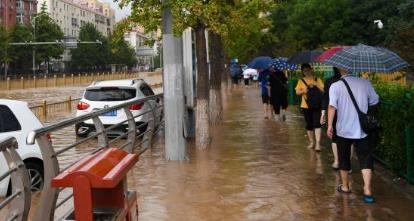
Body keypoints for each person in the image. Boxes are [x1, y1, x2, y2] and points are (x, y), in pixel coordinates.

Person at [327, 68, 379, 204]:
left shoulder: (335, 86)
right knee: (366, 159)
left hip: (343, 129)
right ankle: (367, 189)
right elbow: (375, 100)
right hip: (363, 129)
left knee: (343, 158)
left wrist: (329, 125)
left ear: (339, 69)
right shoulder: (365, 83)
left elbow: (332, 106)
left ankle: (345, 187)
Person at [295, 63, 324, 151]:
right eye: (305, 71)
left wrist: (316, 84)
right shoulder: (301, 81)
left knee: (317, 124)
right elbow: (297, 92)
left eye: (308, 70)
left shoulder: (317, 79)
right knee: (309, 125)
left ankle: (318, 144)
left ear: (311, 69)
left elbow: (323, 91)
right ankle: (312, 142)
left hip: (317, 105)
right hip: (306, 105)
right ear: (303, 72)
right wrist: (303, 90)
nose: (307, 72)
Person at [321, 67, 342, 168]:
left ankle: (337, 161)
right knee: (349, 139)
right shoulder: (352, 81)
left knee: (335, 137)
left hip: (333, 112)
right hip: (347, 113)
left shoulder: (329, 81)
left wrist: (323, 113)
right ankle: (346, 164)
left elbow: (326, 98)